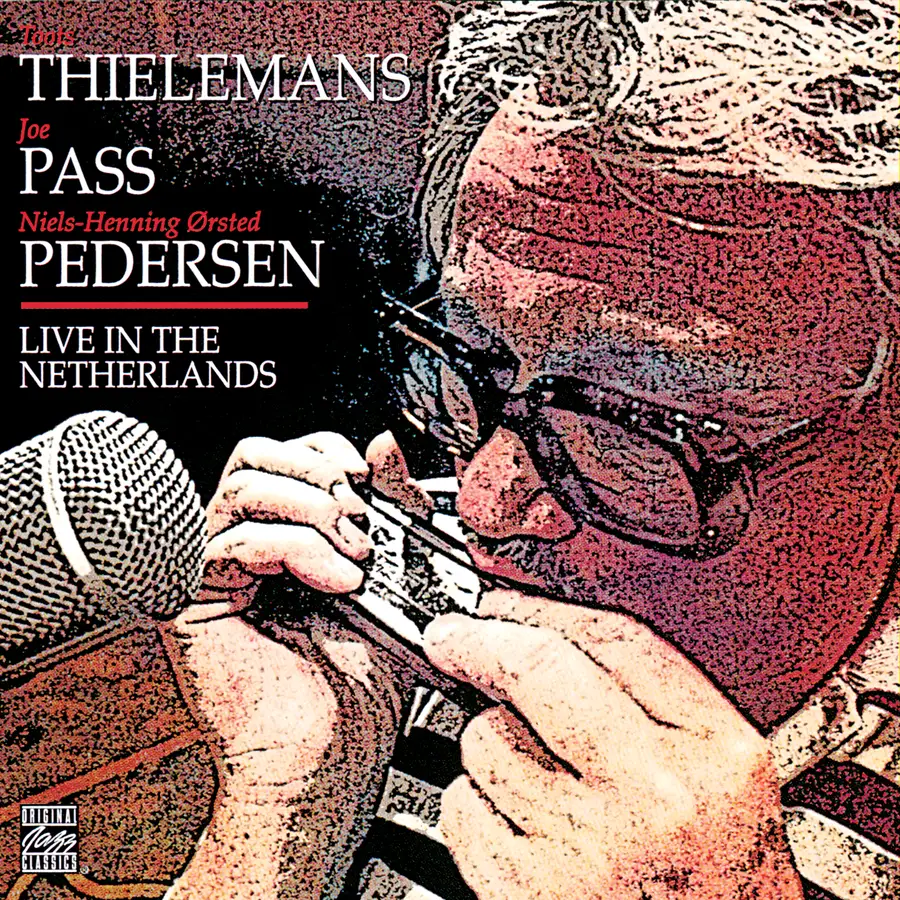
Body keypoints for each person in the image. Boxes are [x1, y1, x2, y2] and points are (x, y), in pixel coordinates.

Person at [161, 3, 900, 898]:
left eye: (631, 428)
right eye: (475, 361)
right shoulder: (400, 656)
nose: (480, 503)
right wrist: (282, 821)